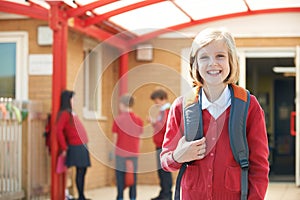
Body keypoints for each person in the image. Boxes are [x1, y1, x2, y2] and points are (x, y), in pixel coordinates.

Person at [160, 28, 269, 199]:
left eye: (220, 56)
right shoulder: (181, 107)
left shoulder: (249, 106)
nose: (213, 63)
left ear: (231, 61)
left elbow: (259, 166)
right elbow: (166, 161)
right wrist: (177, 156)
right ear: (195, 64)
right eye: (204, 57)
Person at [56, 90, 91, 200]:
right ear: (67, 100)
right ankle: (81, 196)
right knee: (80, 170)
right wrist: (64, 147)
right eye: (72, 99)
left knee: (83, 170)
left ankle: (81, 195)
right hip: (75, 146)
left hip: (82, 145)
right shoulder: (65, 114)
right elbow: (58, 130)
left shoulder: (72, 113)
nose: (74, 101)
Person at [112, 94, 143, 200]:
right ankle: (133, 197)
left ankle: (120, 197)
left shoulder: (118, 119)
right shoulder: (139, 120)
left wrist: (113, 152)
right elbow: (140, 139)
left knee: (120, 177)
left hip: (120, 153)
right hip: (134, 153)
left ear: (122, 104)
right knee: (133, 178)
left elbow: (115, 138)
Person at [149, 89, 173, 200]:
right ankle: (163, 192)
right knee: (161, 171)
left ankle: (166, 195)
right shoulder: (163, 111)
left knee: (164, 172)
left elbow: (164, 127)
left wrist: (154, 122)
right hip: (159, 144)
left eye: (156, 101)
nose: (156, 104)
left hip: (164, 146)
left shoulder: (167, 111)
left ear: (162, 99)